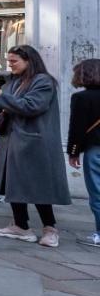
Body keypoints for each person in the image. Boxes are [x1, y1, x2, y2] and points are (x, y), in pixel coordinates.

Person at [0, 45, 71, 247]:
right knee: (13, 184)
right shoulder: (12, 81)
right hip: (11, 140)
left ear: (29, 60)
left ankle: (50, 229)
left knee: (38, 185)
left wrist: (0, 97)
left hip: (34, 142)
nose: (10, 65)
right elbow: (5, 105)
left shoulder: (43, 81)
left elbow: (32, 106)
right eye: (9, 61)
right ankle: (20, 225)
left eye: (14, 61)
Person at [66, 59, 100, 247]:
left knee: (97, 193)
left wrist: (73, 152)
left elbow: (77, 129)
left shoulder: (81, 98)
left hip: (95, 150)